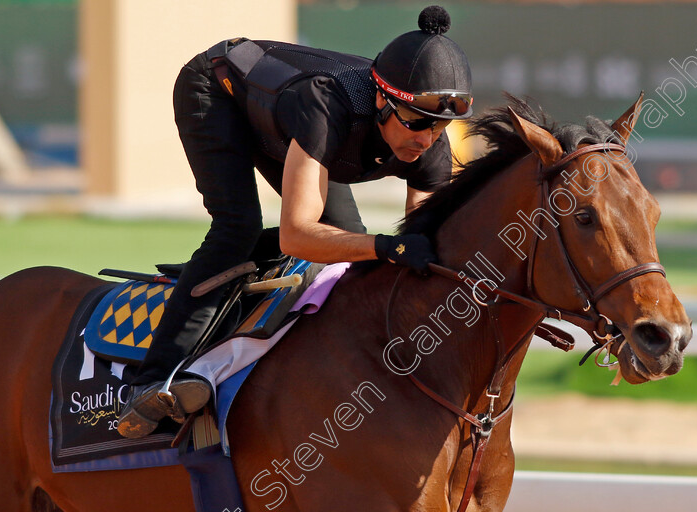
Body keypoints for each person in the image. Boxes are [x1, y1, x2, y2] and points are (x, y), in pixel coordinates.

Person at [117, 5, 473, 438]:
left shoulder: (429, 144)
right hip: (216, 88)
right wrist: (386, 247)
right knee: (238, 228)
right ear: (382, 99)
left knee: (349, 250)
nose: (427, 139)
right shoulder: (328, 107)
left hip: (282, 119)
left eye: (439, 127)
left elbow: (422, 246)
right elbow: (298, 234)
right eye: (417, 122)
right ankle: (149, 382)